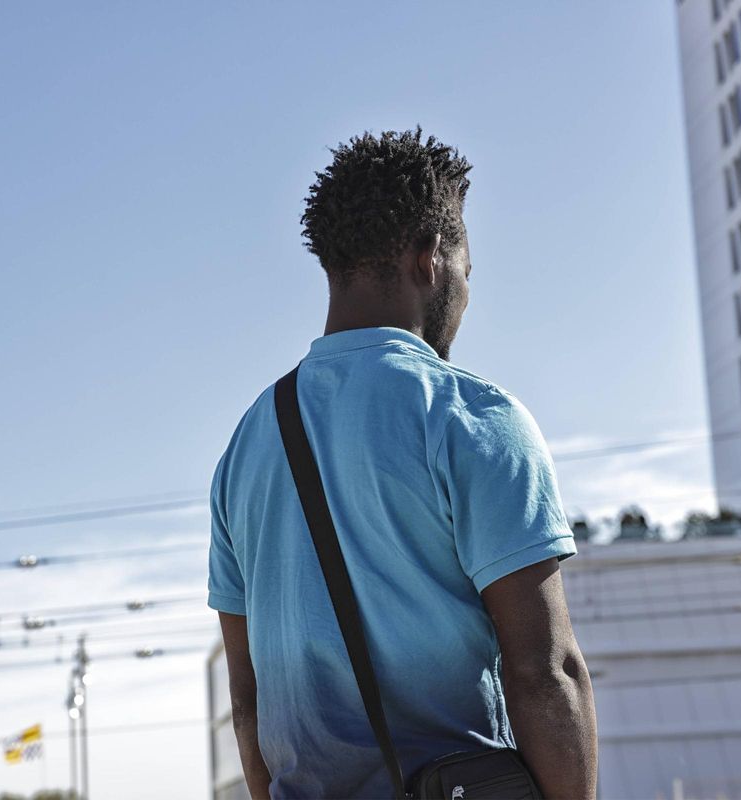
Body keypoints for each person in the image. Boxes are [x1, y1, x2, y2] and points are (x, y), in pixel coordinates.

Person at [208, 127, 597, 799]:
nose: (466, 294)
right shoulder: (470, 415)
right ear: (432, 259)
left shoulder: (246, 446)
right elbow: (544, 673)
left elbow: (248, 701)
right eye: (467, 273)